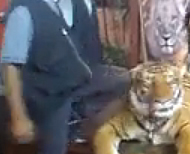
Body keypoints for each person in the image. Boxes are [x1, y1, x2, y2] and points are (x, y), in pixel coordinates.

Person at [1, 0, 128, 154]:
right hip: (46, 95)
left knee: (126, 80)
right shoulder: (24, 11)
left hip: (76, 81)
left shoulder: (77, 4)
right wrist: (19, 117)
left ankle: (81, 130)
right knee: (55, 145)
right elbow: (11, 68)